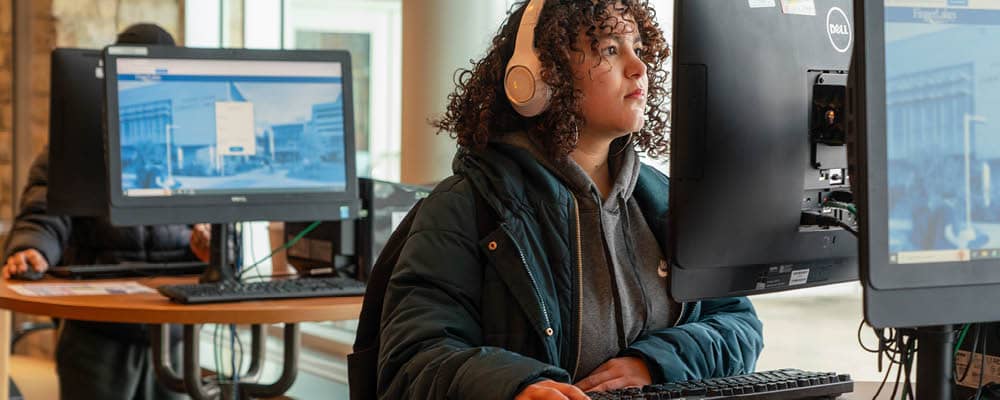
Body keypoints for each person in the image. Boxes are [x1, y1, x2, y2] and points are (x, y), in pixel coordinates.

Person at [376, 1, 764, 399]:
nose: (639, 68)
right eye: (610, 49)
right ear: (541, 74)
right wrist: (517, 388)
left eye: (639, 48)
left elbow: (738, 323)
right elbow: (412, 361)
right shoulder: (464, 207)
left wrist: (655, 363)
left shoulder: (663, 199)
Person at [2, 23, 207, 400]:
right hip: (98, 333)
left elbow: (227, 231)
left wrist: (217, 248)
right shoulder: (77, 145)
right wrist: (31, 249)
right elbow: (44, 213)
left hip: (177, 333)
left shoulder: (191, 153)